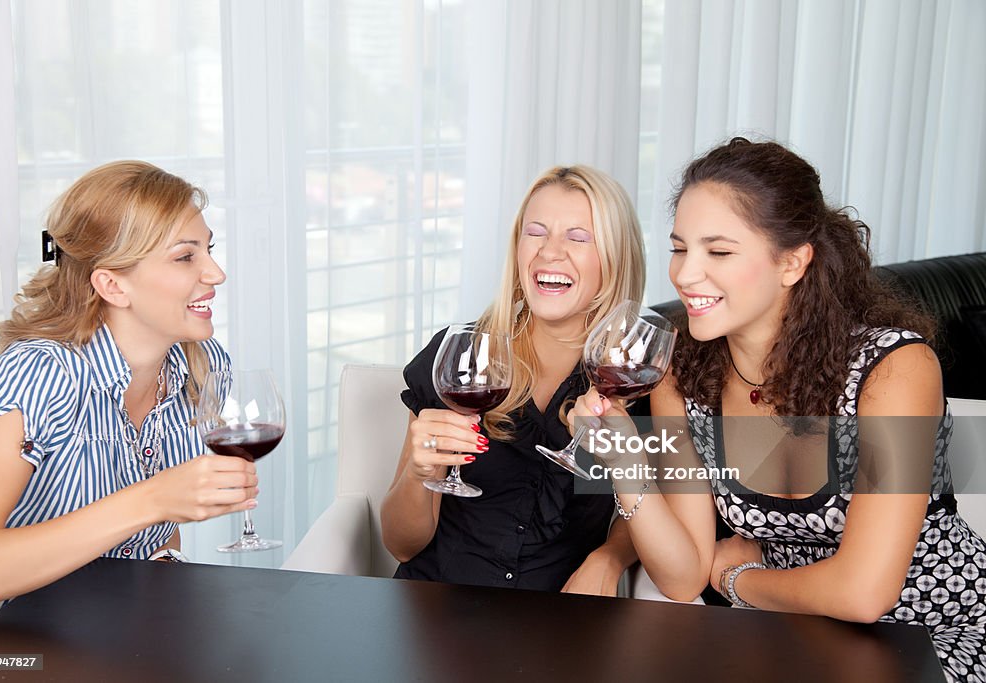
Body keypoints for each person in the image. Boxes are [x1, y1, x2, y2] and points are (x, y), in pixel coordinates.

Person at [569, 137, 985, 681]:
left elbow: (864, 593)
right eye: (679, 248)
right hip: (792, 637)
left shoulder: (895, 370)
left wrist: (739, 580)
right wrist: (625, 464)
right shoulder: (683, 379)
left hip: (934, 635)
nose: (686, 274)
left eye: (718, 251)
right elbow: (684, 574)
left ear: (792, 262)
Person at [0, 161, 259, 636]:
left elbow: (155, 536)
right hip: (7, 648)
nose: (216, 273)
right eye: (186, 257)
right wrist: (154, 499)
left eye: (209, 250)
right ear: (112, 285)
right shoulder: (41, 374)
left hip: (115, 633)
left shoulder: (203, 366)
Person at [381, 165, 647, 594]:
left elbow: (656, 509)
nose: (549, 253)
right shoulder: (460, 358)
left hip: (552, 630)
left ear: (616, 259)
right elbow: (401, 545)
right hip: (434, 613)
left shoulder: (635, 380)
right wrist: (417, 473)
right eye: (536, 232)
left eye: (578, 238)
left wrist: (609, 558)